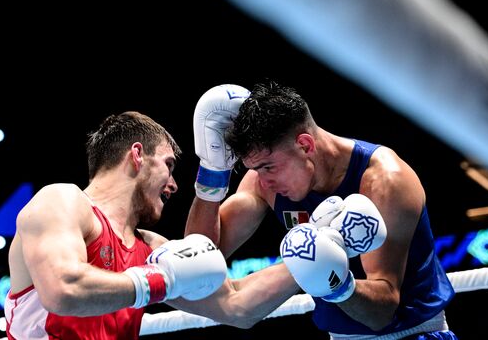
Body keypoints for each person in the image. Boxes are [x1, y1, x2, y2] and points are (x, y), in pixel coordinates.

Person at [186, 81, 458, 339]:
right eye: (256, 170)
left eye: (269, 167)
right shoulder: (264, 181)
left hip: (413, 334)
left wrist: (337, 285)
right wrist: (213, 173)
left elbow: (383, 311)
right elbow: (199, 259)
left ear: (305, 145)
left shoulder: (385, 182)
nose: (264, 180)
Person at [5, 111, 299, 340]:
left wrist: (311, 253)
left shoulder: (151, 249)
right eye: (168, 165)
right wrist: (160, 281)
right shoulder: (61, 200)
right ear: (137, 155)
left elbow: (236, 306)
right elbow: (63, 290)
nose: (173, 185)